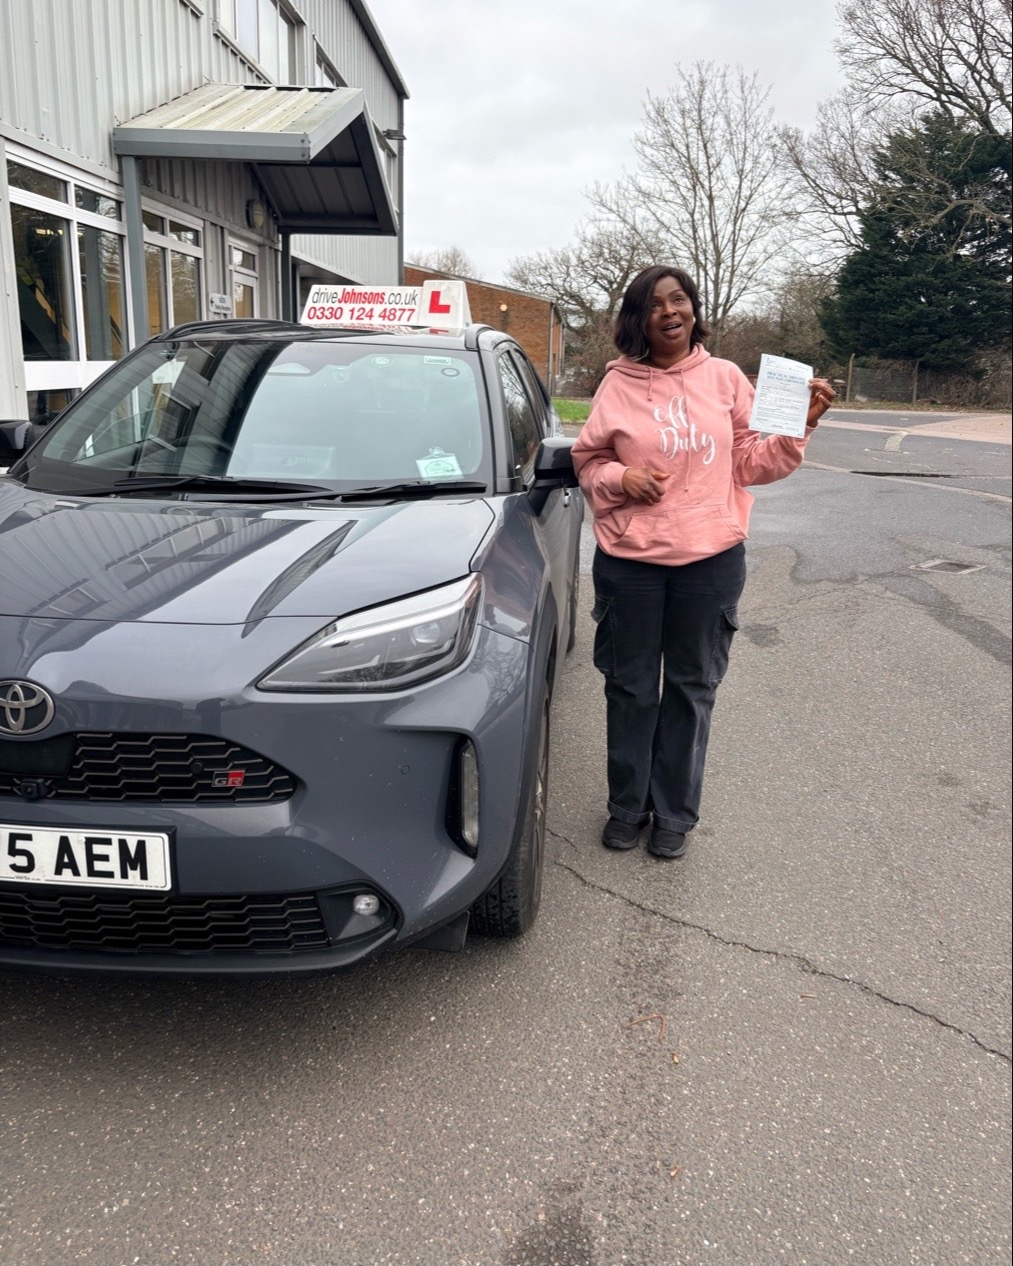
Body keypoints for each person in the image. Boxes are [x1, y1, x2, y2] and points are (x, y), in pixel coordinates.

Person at [571, 265, 835, 859]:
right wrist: (622, 476)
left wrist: (803, 425)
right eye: (655, 305)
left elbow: (749, 462)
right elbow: (587, 462)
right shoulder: (616, 385)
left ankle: (674, 814)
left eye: (679, 300)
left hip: (710, 561)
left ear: (693, 309)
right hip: (630, 562)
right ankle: (626, 806)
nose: (671, 312)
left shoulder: (724, 379)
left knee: (692, 688)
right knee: (631, 688)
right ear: (637, 319)